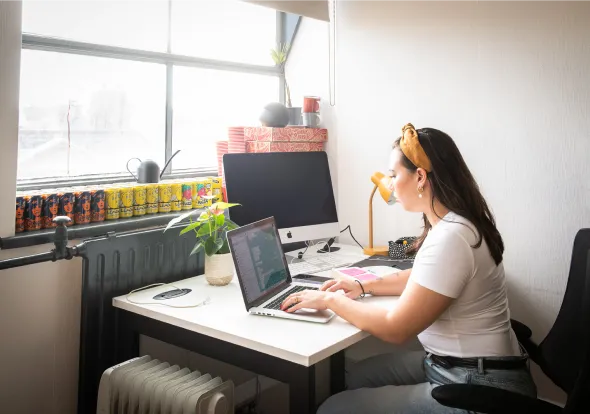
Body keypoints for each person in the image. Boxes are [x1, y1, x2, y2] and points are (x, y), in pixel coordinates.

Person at [280, 123, 537, 413]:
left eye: (392, 175)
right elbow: (420, 277)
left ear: (419, 177)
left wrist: (329, 300)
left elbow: (395, 329)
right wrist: (363, 286)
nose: (389, 184)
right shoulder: (455, 224)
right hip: (456, 365)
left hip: (479, 386)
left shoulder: (451, 238)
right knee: (349, 376)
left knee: (333, 408)